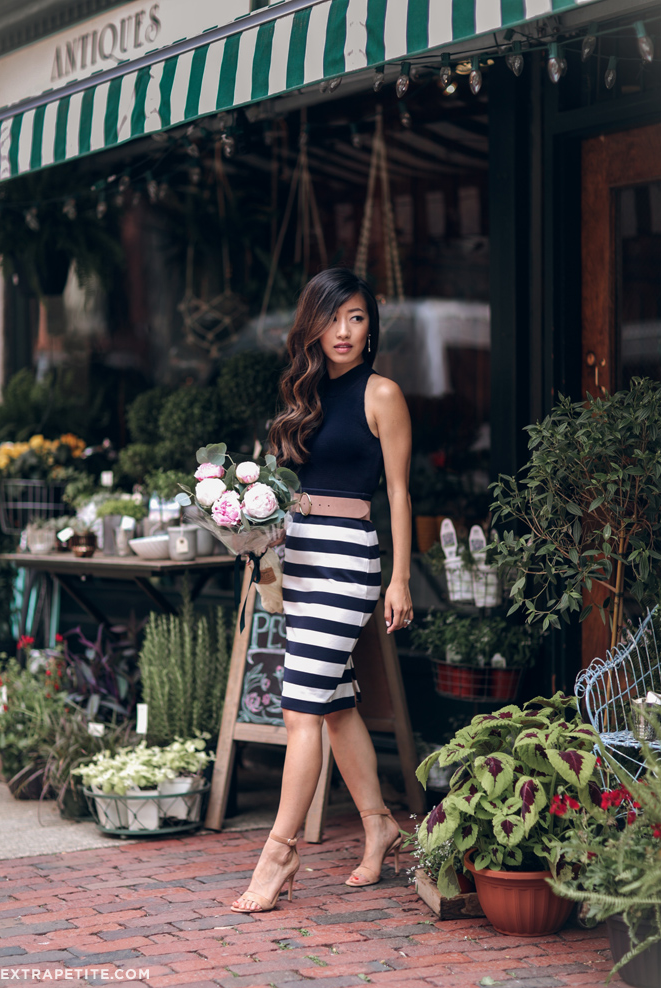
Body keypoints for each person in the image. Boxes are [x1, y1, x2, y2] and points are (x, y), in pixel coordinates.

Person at [231, 268, 413, 913]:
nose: (345, 331)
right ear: (314, 324)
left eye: (358, 318)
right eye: (334, 318)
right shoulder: (301, 398)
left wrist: (399, 576)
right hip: (297, 557)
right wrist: (254, 536)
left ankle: (279, 852)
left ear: (371, 328)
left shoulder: (382, 394)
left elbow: (397, 491)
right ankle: (378, 824)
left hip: (347, 560)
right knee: (332, 704)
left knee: (299, 709)